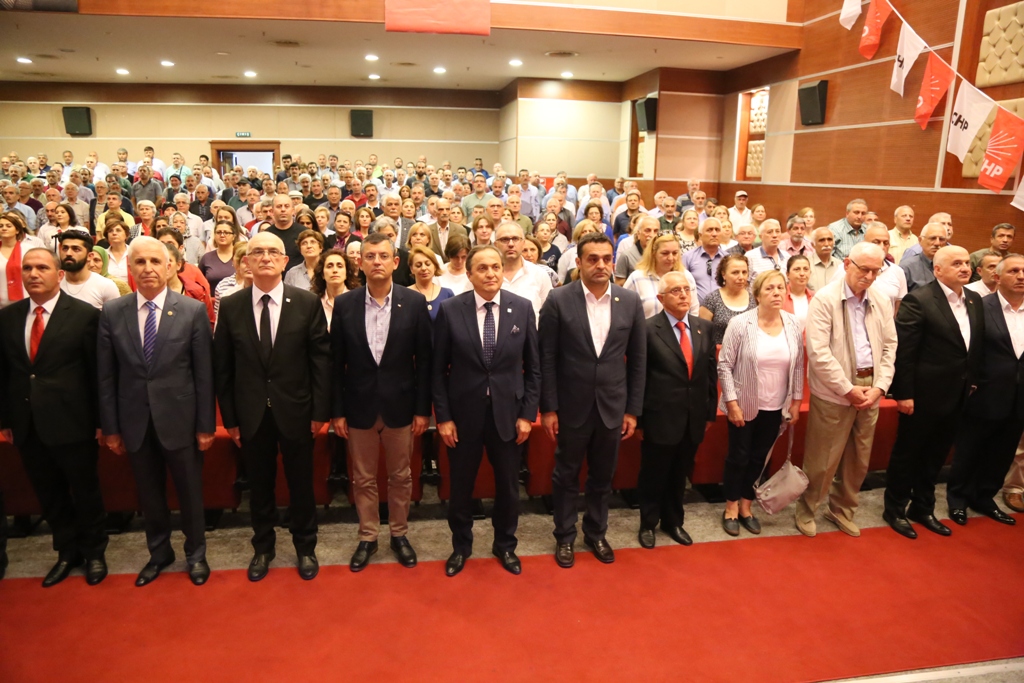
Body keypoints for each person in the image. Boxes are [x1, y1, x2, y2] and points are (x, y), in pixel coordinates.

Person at [97, 236, 215, 586]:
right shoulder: (113, 312)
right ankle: (159, 553)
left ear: (170, 266)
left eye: (155, 261)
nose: (148, 268)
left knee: (190, 494)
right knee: (149, 495)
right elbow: (106, 375)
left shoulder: (192, 310)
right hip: (135, 421)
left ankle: (196, 555)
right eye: (140, 262)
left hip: (181, 420)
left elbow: (204, 374)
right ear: (130, 268)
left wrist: (205, 425)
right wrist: (111, 427)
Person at [213, 232, 331, 581]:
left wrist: (319, 413)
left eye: (272, 252)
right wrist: (230, 419)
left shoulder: (306, 303)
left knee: (301, 485)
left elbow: (320, 363)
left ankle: (305, 547)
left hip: (297, 412)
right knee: (260, 487)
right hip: (251, 414)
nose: (265, 257)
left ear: (284, 261)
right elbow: (223, 368)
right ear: (247, 262)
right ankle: (263, 548)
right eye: (257, 252)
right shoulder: (231, 306)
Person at [0, 248, 108, 587]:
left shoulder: (84, 315)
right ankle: (66, 551)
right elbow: (5, 373)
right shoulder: (8, 317)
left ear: (59, 275)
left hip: (74, 421)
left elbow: (98, 373)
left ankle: (94, 552)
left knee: (85, 491)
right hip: (27, 423)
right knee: (49, 494)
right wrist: (6, 420)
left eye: (42, 268)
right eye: (27, 268)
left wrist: (102, 421)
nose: (33, 274)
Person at [539, 232, 646, 567]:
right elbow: (546, 358)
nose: (601, 265)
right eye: (593, 259)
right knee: (566, 475)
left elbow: (638, 360)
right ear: (579, 262)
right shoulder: (559, 299)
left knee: (603, 475)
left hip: (613, 406)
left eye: (606, 258)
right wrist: (549, 408)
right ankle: (564, 536)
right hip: (571, 406)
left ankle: (596, 532)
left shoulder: (629, 301)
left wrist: (633, 410)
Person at [432, 245, 540, 576]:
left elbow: (534, 369)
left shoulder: (522, 308)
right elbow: (437, 371)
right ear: (469, 274)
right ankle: (461, 547)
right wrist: (444, 418)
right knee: (461, 486)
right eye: (482, 268)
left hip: (509, 415)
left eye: (495, 267)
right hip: (463, 416)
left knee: (508, 487)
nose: (491, 273)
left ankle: (505, 545)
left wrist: (527, 415)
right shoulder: (451, 309)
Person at [331, 233, 432, 572]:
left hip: (401, 405)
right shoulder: (345, 304)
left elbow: (425, 361)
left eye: (383, 256)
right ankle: (368, 536)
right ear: (359, 263)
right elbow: (335, 364)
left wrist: (422, 410)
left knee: (401, 476)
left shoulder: (414, 302)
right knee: (363, 478)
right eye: (370, 256)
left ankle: (399, 534)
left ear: (395, 262)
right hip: (358, 405)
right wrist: (337, 411)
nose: (377, 261)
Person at [795, 242, 897, 538]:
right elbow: (818, 353)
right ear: (847, 263)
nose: (869, 276)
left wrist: (880, 386)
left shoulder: (881, 298)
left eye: (876, 271)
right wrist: (847, 389)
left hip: (871, 389)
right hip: (835, 392)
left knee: (858, 459)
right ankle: (807, 509)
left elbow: (890, 346)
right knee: (823, 459)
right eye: (864, 269)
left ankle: (842, 509)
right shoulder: (825, 299)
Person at [884, 246, 984, 539]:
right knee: (908, 455)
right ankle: (895, 508)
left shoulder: (975, 300)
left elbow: (974, 346)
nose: (965, 268)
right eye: (956, 263)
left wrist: (972, 380)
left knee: (936, 455)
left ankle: (923, 507)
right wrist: (904, 393)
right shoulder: (920, 299)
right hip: (922, 396)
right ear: (937, 269)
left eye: (966, 263)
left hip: (958, 394)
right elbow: (905, 353)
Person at [717, 270, 804, 536]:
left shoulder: (793, 323)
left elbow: (798, 365)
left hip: (776, 405)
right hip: (743, 404)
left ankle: (747, 505)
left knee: (758, 458)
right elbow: (724, 365)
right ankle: (731, 506)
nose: (776, 293)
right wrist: (732, 403)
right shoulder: (740, 323)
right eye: (769, 288)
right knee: (739, 457)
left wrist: (796, 401)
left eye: (780, 288)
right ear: (757, 295)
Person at [636, 271, 717, 549]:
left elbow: (710, 373)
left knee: (680, 473)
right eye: (675, 290)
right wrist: (638, 419)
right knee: (653, 473)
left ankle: (673, 521)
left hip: (693, 416)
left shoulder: (703, 327)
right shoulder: (647, 329)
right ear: (661, 298)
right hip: (658, 416)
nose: (683, 294)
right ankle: (648, 523)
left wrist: (709, 412)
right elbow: (639, 376)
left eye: (686, 289)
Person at [946, 253, 1024, 527]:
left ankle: (984, 496)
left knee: (1003, 452)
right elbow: (969, 349)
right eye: (1014, 271)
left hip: (1019, 397)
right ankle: (957, 499)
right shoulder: (980, 307)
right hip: (985, 392)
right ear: (997, 277)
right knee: (969, 449)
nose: (1021, 276)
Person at [623, 232, 697, 318]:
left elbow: (694, 311)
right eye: (665, 253)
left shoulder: (686, 276)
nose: (670, 258)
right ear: (653, 253)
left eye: (674, 253)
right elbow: (624, 310)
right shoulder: (637, 278)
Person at [699, 253, 756, 345]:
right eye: (735, 272)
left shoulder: (754, 299)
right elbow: (703, 336)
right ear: (723, 274)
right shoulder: (712, 300)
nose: (741, 277)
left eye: (744, 272)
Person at [57, 230, 121, 309]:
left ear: (89, 256)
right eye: (65, 248)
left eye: (76, 249)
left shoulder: (106, 286)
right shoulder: (52, 283)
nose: (68, 253)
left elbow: (115, 316)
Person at [311, 249, 359, 331]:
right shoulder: (314, 302)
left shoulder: (358, 300)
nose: (335, 270)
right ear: (322, 274)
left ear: (347, 273)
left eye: (340, 266)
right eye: (329, 266)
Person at [684, 217, 725, 303]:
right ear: (700, 235)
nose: (714, 234)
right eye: (709, 230)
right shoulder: (688, 257)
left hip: (722, 308)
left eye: (717, 230)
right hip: (696, 308)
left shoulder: (728, 259)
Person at [408, 244, 454, 321]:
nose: (423, 268)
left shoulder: (447, 294)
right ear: (412, 269)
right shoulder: (404, 295)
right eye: (418, 265)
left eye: (428, 264)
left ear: (435, 266)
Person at [899, 222, 947, 292]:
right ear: (920, 240)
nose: (937, 243)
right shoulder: (907, 267)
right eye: (932, 238)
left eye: (942, 239)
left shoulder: (951, 266)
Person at [199, 220, 241, 292]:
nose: (222, 235)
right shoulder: (207, 258)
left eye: (226, 232)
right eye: (218, 232)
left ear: (234, 236)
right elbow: (199, 282)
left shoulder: (240, 256)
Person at [781, 255, 813, 332]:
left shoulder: (815, 297)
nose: (802, 273)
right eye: (797, 269)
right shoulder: (780, 297)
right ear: (787, 274)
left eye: (806, 269)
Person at [808, 226, 842, 292]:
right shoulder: (806, 264)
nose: (826, 244)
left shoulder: (840, 265)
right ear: (813, 245)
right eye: (821, 240)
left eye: (829, 240)